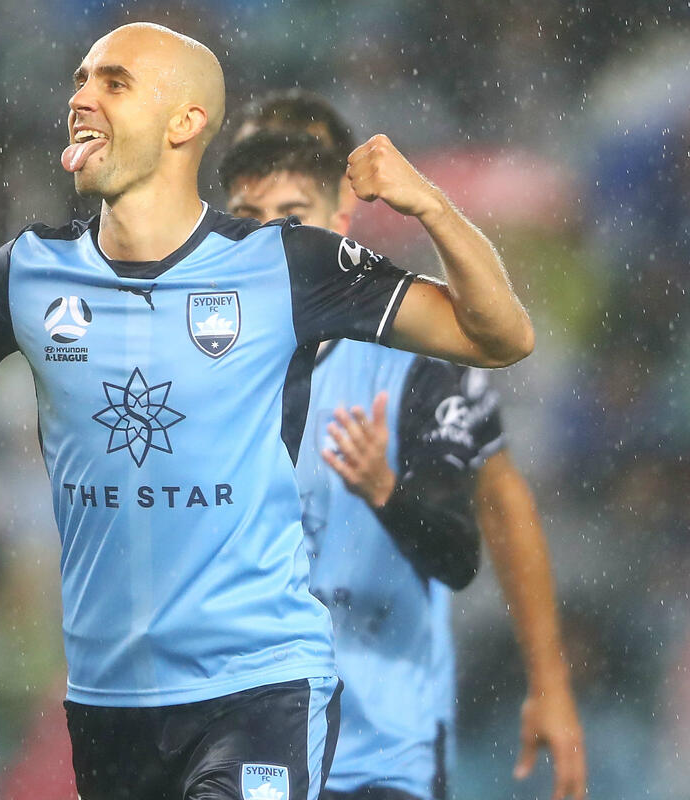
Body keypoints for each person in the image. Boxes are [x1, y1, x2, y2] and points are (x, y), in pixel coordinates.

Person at [0, 22, 533, 800]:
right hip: (110, 700)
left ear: (184, 122)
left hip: (258, 686)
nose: (81, 98)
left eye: (113, 83)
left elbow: (499, 335)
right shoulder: (32, 270)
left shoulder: (283, 262)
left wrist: (431, 207)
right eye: (80, 80)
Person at [222, 99, 585, 800]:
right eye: (250, 207)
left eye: (294, 207)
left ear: (341, 206)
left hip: (380, 740)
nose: (273, 235)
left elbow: (490, 510)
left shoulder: (413, 352)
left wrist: (549, 681)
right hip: (249, 734)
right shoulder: (201, 354)